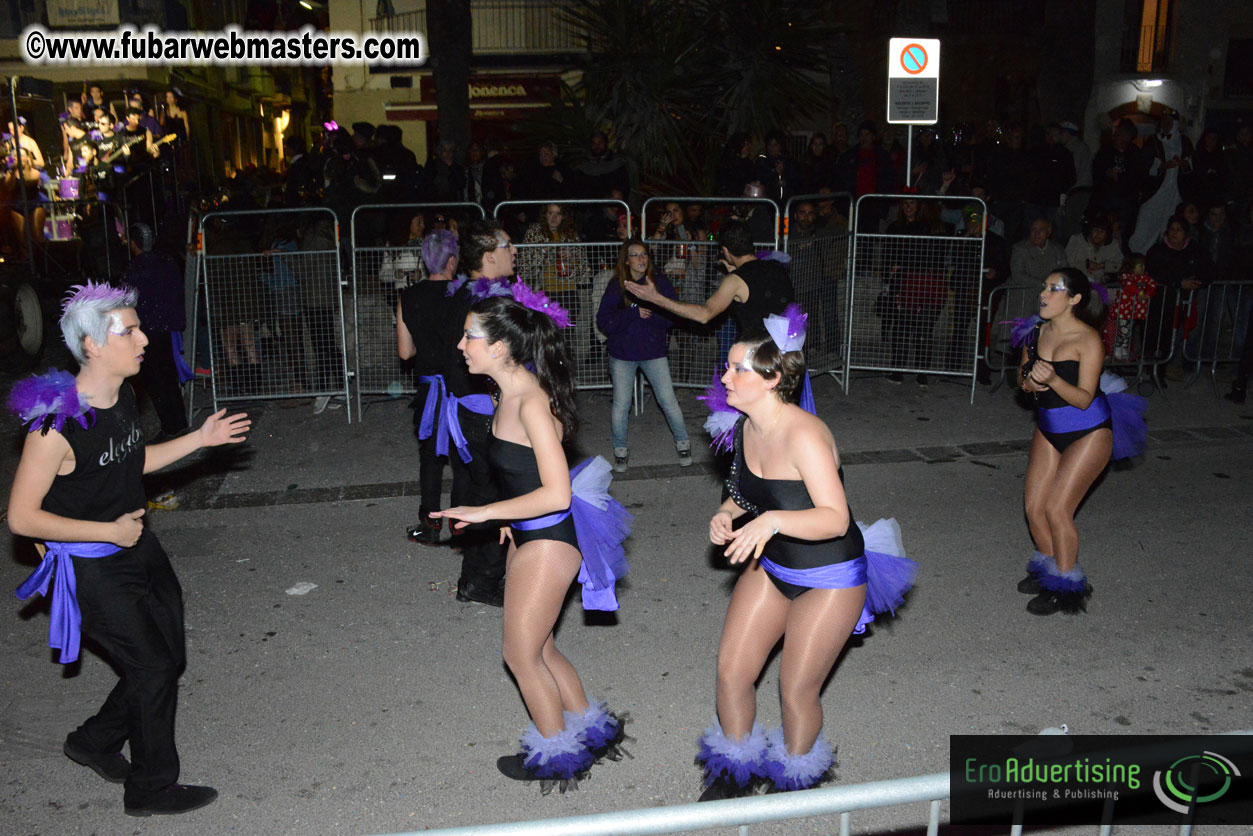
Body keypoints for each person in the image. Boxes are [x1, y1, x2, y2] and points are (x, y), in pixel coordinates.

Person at [6, 281, 250, 816]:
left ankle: (94, 741)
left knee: (165, 660)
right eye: (130, 330)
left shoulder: (120, 397)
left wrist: (199, 440)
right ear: (92, 344)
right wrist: (106, 532)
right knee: (153, 669)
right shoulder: (54, 426)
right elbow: (21, 517)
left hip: (136, 547)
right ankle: (150, 788)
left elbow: (128, 462)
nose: (144, 339)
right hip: (93, 567)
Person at [695, 314, 916, 800]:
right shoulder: (744, 426)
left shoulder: (806, 435)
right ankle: (734, 770)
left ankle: (794, 779)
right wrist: (726, 512)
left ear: (773, 379)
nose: (725, 379)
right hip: (774, 566)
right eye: (727, 368)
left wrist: (771, 521)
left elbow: (835, 518)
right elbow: (747, 492)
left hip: (831, 575)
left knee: (795, 689)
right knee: (733, 672)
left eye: (737, 370)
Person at [435, 287, 631, 789]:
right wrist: (507, 518)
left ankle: (558, 754)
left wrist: (486, 511)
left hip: (549, 539)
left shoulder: (530, 401)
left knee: (520, 655)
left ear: (499, 347)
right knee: (539, 647)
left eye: (469, 336)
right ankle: (592, 729)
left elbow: (557, 493)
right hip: (529, 534)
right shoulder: (507, 391)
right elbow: (523, 473)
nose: (461, 345)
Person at [1014, 268, 1146, 615]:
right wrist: (1032, 383)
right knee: (1034, 508)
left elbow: (1085, 398)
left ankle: (1067, 587)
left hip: (1088, 430)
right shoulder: (1035, 330)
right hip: (1049, 428)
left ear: (1074, 299)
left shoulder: (1088, 340)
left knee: (1057, 510)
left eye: (1054, 288)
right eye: (1044, 285)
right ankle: (1050, 568)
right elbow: (1023, 380)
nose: (1044, 293)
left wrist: (1053, 379)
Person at [438, 221, 518, 606]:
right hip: (483, 413)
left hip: (461, 411)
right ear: (489, 257)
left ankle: (472, 578)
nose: (513, 250)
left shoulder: (456, 294)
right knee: (497, 496)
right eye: (507, 245)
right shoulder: (490, 307)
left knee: (473, 490)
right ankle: (481, 583)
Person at [596, 239, 691, 473]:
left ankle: (684, 445)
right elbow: (604, 321)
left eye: (644, 254)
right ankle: (620, 451)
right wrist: (633, 313)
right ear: (626, 260)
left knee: (668, 400)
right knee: (621, 404)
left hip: (653, 353)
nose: (641, 259)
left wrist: (652, 313)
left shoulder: (659, 282)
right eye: (635, 255)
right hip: (622, 355)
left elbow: (672, 316)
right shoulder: (617, 286)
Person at [624, 220, 795, 339]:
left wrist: (656, 298)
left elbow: (704, 315)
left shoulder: (735, 280)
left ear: (726, 251)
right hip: (789, 349)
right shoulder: (776, 266)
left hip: (762, 357)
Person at [396, 229, 458, 546]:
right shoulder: (463, 294)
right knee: (467, 455)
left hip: (428, 389)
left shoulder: (409, 297)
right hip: (463, 385)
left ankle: (430, 525)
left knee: (431, 459)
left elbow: (405, 352)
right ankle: (463, 524)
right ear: (451, 260)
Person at [122, 223, 189, 441]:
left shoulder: (135, 269)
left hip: (147, 329)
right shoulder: (167, 263)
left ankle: (171, 425)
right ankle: (177, 421)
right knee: (168, 376)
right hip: (167, 328)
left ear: (134, 243)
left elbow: (127, 300)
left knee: (155, 379)